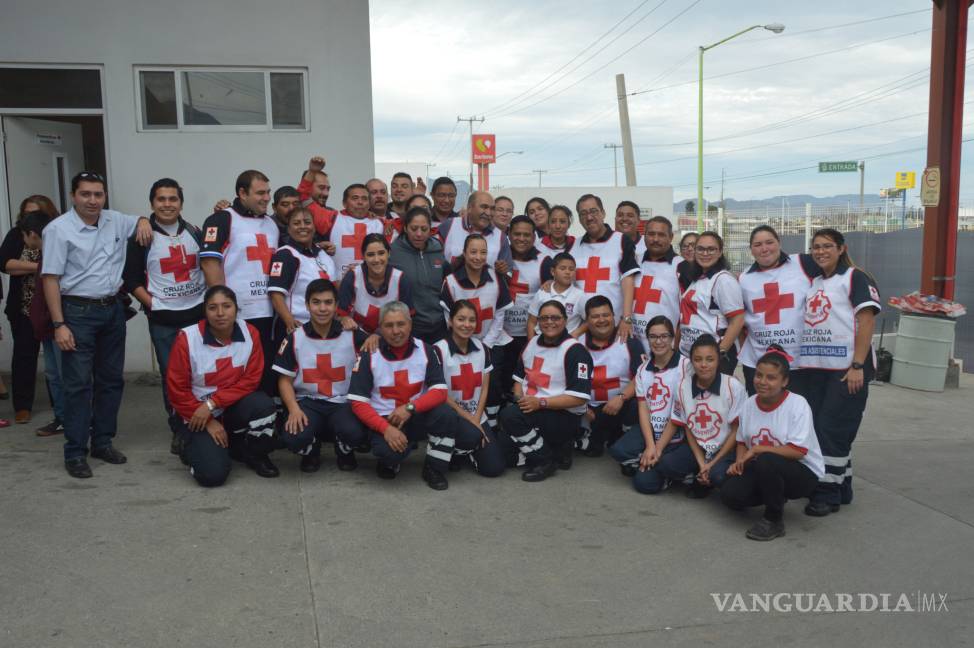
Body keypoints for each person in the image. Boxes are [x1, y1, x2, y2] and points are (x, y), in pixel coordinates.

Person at [41, 171, 152, 478]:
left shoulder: (115, 220)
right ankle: (75, 452)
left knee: (111, 381)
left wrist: (143, 219)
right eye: (86, 194)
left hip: (112, 311)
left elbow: (145, 220)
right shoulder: (58, 230)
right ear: (73, 196)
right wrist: (58, 324)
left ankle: (102, 442)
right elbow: (50, 279)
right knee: (77, 386)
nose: (92, 200)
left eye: (98, 194)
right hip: (76, 314)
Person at [348, 301, 476, 490]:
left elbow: (440, 391)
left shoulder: (426, 350)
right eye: (389, 325)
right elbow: (358, 403)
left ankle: (434, 467)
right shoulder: (369, 354)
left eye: (401, 324)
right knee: (389, 455)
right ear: (380, 328)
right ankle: (393, 457)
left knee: (465, 432)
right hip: (386, 419)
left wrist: (410, 408)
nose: (396, 331)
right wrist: (385, 429)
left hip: (416, 415)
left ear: (410, 324)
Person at [799, 228, 880, 517]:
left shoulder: (855, 277)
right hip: (817, 369)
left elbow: (866, 320)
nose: (820, 251)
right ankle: (842, 485)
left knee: (832, 429)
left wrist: (858, 365)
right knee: (825, 428)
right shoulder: (816, 282)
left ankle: (826, 493)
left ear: (841, 249)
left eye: (827, 246)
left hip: (846, 371)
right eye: (816, 247)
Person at [123, 178, 205, 455]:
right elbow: (131, 278)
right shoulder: (142, 237)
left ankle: (203, 421)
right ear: (152, 203)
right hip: (164, 321)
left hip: (197, 314)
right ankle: (180, 429)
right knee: (174, 377)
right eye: (161, 199)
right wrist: (153, 305)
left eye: (173, 199)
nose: (167, 204)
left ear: (181, 203)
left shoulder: (195, 232)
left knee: (201, 374)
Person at [166, 286, 279, 485]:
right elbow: (177, 390)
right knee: (212, 476)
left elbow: (250, 380)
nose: (220, 313)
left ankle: (253, 453)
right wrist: (208, 418)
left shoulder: (250, 333)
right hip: (195, 413)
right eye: (212, 307)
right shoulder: (187, 339)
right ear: (205, 311)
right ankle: (190, 446)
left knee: (263, 405)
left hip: (227, 406)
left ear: (236, 308)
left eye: (226, 306)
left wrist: (213, 404)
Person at [721, 346, 825, 540]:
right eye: (759, 375)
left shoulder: (797, 404)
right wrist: (739, 463)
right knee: (730, 494)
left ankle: (773, 519)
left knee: (767, 459)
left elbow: (799, 451)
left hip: (803, 472)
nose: (762, 382)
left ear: (785, 381)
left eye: (771, 377)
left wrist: (759, 449)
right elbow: (742, 440)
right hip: (764, 467)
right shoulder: (750, 404)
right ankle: (775, 494)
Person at [273, 279, 370, 473]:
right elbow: (284, 380)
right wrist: (293, 409)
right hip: (308, 402)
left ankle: (344, 448)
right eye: (316, 302)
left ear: (336, 306)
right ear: (307, 305)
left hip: (343, 402)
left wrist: (375, 336)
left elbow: (380, 351)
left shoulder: (352, 334)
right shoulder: (294, 337)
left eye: (328, 302)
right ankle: (311, 449)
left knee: (357, 433)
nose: (322, 308)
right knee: (292, 437)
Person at [199, 169, 279, 393]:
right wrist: (221, 308)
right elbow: (209, 263)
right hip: (240, 314)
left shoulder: (271, 224)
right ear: (242, 193)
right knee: (237, 374)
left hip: (269, 313)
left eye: (268, 192)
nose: (266, 198)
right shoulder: (222, 219)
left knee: (266, 373)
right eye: (260, 193)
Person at [499, 300, 593, 482]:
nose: (549, 322)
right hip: (532, 410)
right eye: (544, 318)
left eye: (555, 318)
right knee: (501, 456)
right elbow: (518, 379)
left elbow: (579, 398)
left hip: (562, 415)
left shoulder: (575, 351)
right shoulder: (532, 343)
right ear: (538, 322)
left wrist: (539, 402)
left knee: (509, 416)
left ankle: (545, 460)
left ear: (565, 320)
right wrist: (521, 400)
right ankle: (557, 450)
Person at [609, 316, 692, 494]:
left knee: (644, 484)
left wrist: (658, 448)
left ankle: (663, 468)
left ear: (672, 338)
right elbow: (643, 409)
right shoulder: (643, 370)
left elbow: (679, 414)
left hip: (679, 433)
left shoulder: (686, 367)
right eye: (653, 337)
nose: (659, 341)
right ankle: (654, 463)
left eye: (664, 336)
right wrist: (650, 445)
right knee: (618, 451)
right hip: (652, 430)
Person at [739, 225, 819, 395]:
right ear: (751, 250)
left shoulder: (803, 263)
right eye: (758, 245)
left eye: (769, 242)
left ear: (779, 243)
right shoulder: (744, 278)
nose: (764, 248)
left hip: (799, 363)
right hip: (757, 362)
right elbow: (738, 319)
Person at [433, 300, 508, 477]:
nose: (467, 325)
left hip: (476, 415)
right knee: (469, 435)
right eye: (461, 319)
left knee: (494, 468)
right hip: (452, 414)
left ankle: (464, 451)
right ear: (450, 321)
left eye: (472, 320)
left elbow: (484, 387)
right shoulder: (438, 350)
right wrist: (471, 421)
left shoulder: (482, 348)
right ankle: (459, 447)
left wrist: (476, 419)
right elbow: (440, 393)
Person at [673, 334, 747, 498]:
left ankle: (708, 477)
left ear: (718, 360)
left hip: (726, 449)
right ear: (691, 361)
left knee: (718, 476)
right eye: (698, 359)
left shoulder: (733, 386)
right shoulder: (682, 386)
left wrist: (711, 464)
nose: (704, 365)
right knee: (667, 465)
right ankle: (699, 472)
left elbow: (737, 431)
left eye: (710, 359)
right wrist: (702, 463)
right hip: (700, 448)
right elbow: (688, 427)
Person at [0, 210, 52, 424]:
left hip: (53, 311)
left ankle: (61, 404)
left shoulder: (58, 240)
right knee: (23, 357)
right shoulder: (16, 235)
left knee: (57, 362)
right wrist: (40, 267)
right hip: (24, 309)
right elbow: (6, 265)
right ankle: (22, 406)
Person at [577, 296, 643, 457]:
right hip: (587, 409)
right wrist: (581, 406)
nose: (601, 320)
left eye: (606, 315)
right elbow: (564, 380)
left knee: (637, 404)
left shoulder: (629, 342)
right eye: (595, 316)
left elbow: (642, 377)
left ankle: (623, 437)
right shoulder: (576, 344)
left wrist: (621, 397)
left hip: (619, 406)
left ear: (614, 316)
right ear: (587, 321)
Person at [572, 194, 638, 339]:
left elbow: (628, 280)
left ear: (603, 213)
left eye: (593, 211)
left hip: (614, 328)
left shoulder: (621, 240)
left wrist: (626, 319)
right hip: (581, 328)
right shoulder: (573, 246)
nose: (589, 217)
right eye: (583, 214)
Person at [678, 231, 744, 374]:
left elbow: (737, 320)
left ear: (720, 252)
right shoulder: (699, 278)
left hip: (711, 358)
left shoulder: (723, 280)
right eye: (700, 249)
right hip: (693, 355)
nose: (705, 253)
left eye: (711, 249)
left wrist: (719, 354)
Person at [268, 207, 337, 339]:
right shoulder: (285, 255)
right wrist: (289, 321)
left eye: (307, 222)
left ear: (314, 227)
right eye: (296, 223)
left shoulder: (323, 254)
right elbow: (276, 294)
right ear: (288, 229)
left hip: (323, 327)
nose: (302, 227)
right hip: (295, 328)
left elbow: (335, 288)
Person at [498, 216, 547, 401]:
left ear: (534, 237)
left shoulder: (545, 261)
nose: (521, 238)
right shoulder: (500, 258)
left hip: (529, 335)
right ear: (508, 234)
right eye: (517, 234)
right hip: (501, 334)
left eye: (526, 235)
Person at [389, 207, 448, 344]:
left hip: (440, 324)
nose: (419, 234)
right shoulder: (394, 252)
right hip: (411, 325)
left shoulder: (437, 248)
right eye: (414, 228)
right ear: (405, 228)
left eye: (424, 229)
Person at [339, 234, 413, 336]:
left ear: (389, 253)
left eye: (381, 253)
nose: (377, 259)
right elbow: (340, 314)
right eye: (370, 255)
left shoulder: (401, 279)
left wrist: (378, 335)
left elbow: (407, 319)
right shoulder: (352, 277)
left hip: (392, 337)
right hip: (357, 337)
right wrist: (345, 319)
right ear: (363, 256)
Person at [630, 215, 682, 354]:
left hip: (665, 348)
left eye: (661, 235)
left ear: (671, 237)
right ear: (644, 236)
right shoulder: (633, 261)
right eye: (651, 234)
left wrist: (676, 347)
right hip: (633, 343)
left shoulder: (681, 266)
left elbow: (686, 313)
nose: (655, 239)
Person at [319, 184, 385, 280]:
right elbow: (306, 202)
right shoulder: (331, 218)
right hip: (338, 285)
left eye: (364, 199)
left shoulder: (381, 224)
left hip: (371, 285)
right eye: (355, 198)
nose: (360, 202)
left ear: (370, 204)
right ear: (344, 203)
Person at [438, 190, 513, 273]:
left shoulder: (501, 238)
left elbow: (509, 272)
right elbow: (434, 261)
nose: (488, 213)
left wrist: (503, 271)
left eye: (492, 209)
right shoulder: (449, 225)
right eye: (484, 207)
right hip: (450, 285)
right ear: (469, 208)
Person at [526, 252, 588, 338]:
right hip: (541, 341)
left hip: (566, 342)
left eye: (571, 269)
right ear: (552, 271)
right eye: (562, 268)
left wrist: (576, 333)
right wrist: (531, 344)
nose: (567, 272)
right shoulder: (542, 292)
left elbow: (589, 320)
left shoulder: (580, 296)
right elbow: (532, 321)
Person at [297, 156, 338, 234]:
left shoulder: (331, 213)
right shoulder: (291, 214)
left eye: (328, 189)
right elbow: (303, 194)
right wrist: (312, 172)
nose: (326, 193)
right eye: (321, 188)